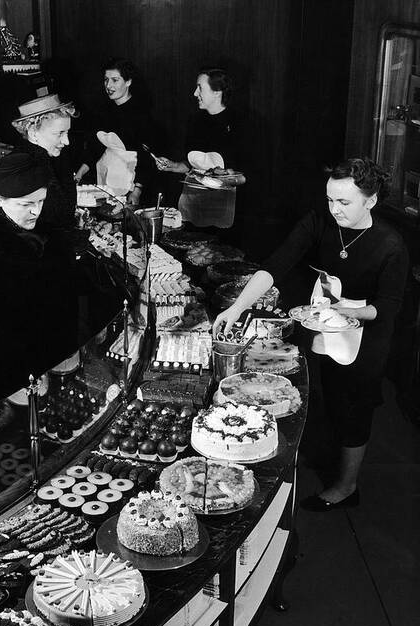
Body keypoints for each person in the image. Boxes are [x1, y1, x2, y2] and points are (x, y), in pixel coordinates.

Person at [212, 157, 408, 511]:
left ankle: (347, 487)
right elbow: (276, 265)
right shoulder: (320, 220)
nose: (334, 210)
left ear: (371, 200)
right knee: (327, 395)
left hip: (367, 336)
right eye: (330, 200)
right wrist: (237, 307)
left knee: (355, 407)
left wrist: (347, 311)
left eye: (344, 202)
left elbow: (389, 306)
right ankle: (319, 463)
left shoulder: (390, 244)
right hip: (324, 321)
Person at [0, 152, 78, 421]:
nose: (36, 211)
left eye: (41, 201)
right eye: (26, 204)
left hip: (33, 363)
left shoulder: (38, 232)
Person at [74, 58, 157, 206]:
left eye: (115, 80)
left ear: (128, 82)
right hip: (106, 181)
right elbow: (95, 148)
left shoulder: (141, 114)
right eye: (106, 80)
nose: (108, 85)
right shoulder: (103, 111)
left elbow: (147, 158)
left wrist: (137, 190)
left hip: (133, 185)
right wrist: (79, 174)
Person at [10, 93, 78, 231]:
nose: (67, 141)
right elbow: (61, 217)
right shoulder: (27, 169)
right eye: (59, 133)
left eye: (67, 133)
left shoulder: (44, 157)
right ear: (33, 132)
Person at [156, 67, 236, 174]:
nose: (195, 93)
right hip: (195, 190)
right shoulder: (195, 121)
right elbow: (193, 166)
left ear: (217, 92)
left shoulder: (239, 123)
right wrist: (173, 166)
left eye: (200, 88)